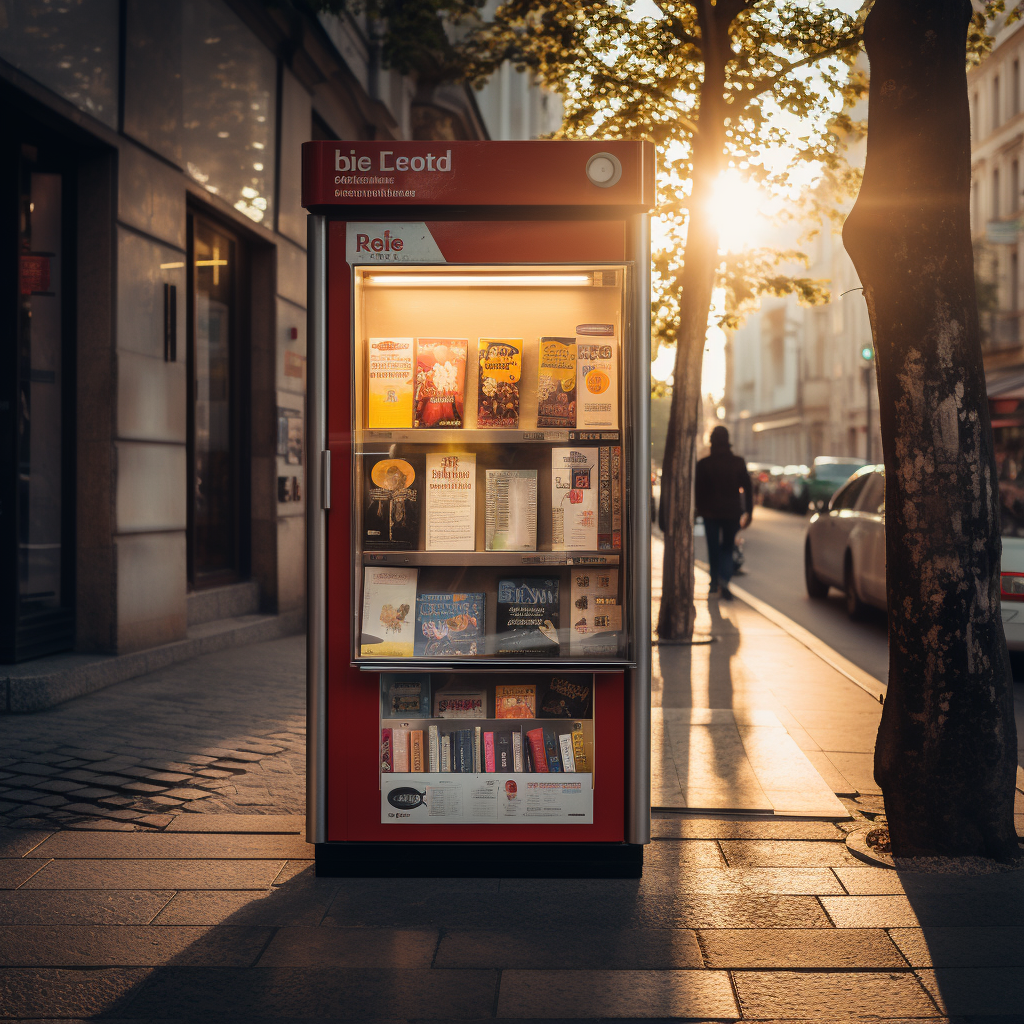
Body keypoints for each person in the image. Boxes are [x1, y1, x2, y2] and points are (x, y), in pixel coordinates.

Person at [695, 425, 752, 600]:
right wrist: (749, 512)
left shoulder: (704, 464)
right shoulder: (738, 462)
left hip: (710, 513)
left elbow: (699, 491)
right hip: (731, 513)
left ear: (711, 443)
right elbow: (749, 489)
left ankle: (714, 582)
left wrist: (699, 511)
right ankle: (725, 582)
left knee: (713, 548)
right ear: (728, 443)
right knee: (727, 547)